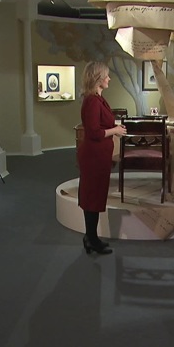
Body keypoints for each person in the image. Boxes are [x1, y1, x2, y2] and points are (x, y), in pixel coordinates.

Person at [78, 61, 127, 255]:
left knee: (95, 196)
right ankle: (91, 238)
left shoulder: (98, 99)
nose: (109, 79)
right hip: (94, 157)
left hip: (99, 155)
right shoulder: (92, 100)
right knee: (93, 197)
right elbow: (94, 132)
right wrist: (115, 130)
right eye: (106, 75)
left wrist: (114, 127)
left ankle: (91, 237)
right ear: (98, 78)